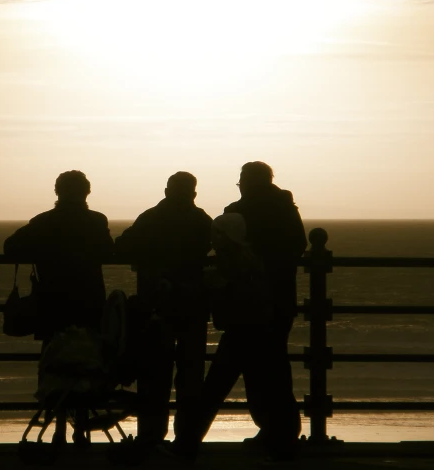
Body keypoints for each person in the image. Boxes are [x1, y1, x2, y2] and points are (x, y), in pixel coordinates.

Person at [4, 170, 114, 447]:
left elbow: (11, 247)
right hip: (89, 304)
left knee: (55, 363)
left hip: (52, 305)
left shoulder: (43, 222)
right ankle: (82, 427)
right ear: (87, 192)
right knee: (86, 363)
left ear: (57, 192)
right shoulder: (96, 221)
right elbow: (108, 252)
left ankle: (58, 428)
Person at [174, 213, 296, 462]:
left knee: (213, 391)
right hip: (255, 332)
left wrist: (218, 287)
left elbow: (236, 293)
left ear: (225, 236)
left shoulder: (231, 261)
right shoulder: (245, 258)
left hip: (242, 332)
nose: (212, 237)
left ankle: (186, 446)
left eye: (216, 233)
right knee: (261, 388)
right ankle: (281, 445)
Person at [114, 172, 212, 455]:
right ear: (193, 193)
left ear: (167, 190)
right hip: (192, 305)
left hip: (155, 305)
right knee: (191, 374)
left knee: (154, 372)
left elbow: (123, 246)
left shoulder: (151, 218)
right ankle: (187, 437)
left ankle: (151, 434)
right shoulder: (201, 220)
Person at [223, 161, 305, 445]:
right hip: (281, 298)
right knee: (277, 366)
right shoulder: (286, 208)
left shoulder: (237, 213)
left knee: (255, 370)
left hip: (247, 301)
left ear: (247, 182)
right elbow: (298, 245)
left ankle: (271, 426)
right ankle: (284, 428)